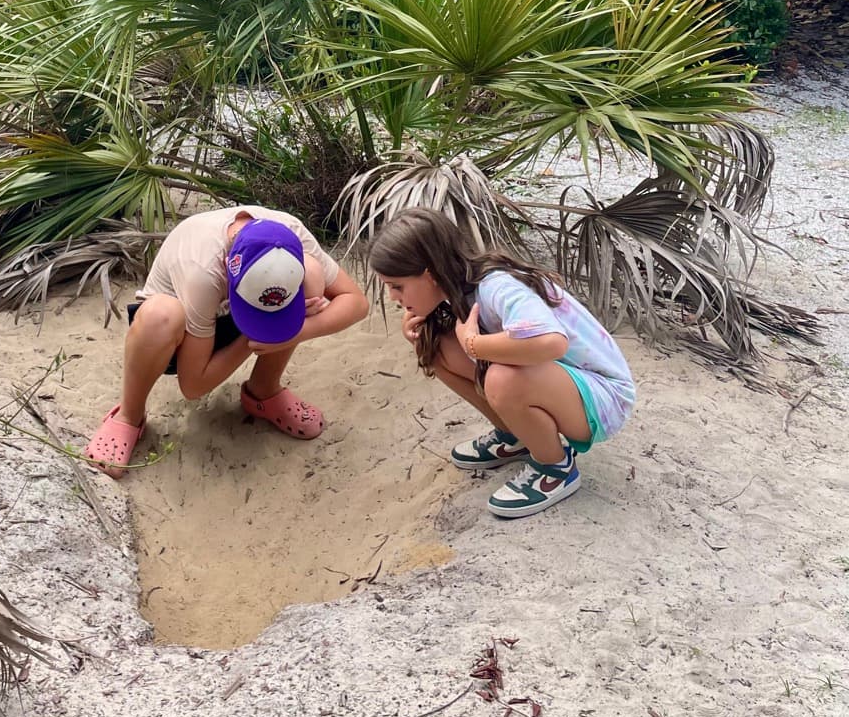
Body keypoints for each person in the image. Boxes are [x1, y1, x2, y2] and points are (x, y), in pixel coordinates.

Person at [369, 208, 635, 519]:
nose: (391, 296)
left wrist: (474, 344)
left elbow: (551, 342)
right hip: (567, 387)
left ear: (429, 275)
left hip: (605, 398)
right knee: (435, 348)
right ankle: (517, 435)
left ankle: (555, 467)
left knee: (501, 378)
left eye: (397, 286)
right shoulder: (459, 289)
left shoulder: (496, 286)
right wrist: (421, 330)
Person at [85, 206, 369, 476]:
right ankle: (129, 415)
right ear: (228, 267)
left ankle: (263, 391)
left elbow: (355, 302)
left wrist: (297, 328)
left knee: (304, 295)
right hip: (180, 334)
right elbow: (193, 385)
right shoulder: (203, 271)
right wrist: (253, 336)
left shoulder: (291, 234)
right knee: (160, 316)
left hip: (233, 311)